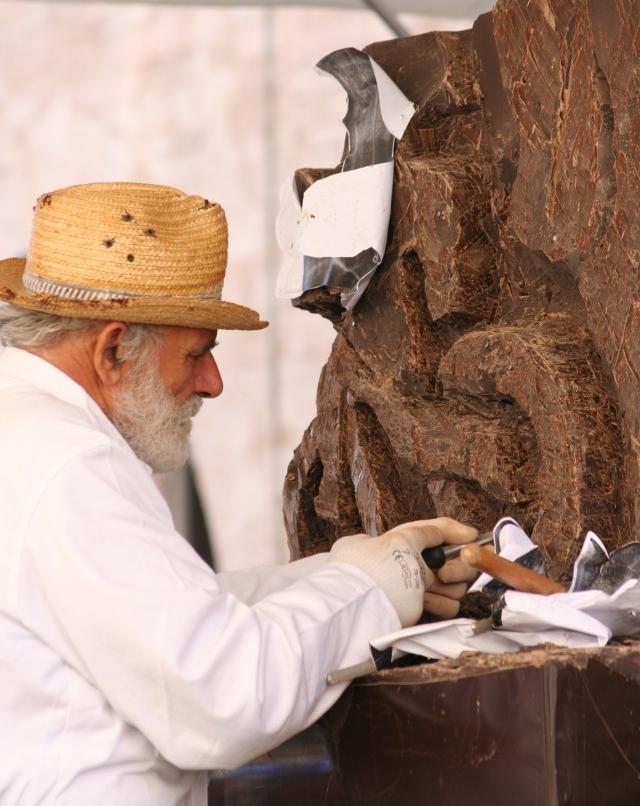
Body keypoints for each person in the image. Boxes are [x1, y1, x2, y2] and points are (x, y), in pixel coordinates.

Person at [0, 182, 477, 805]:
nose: (212, 382)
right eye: (197, 354)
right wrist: (367, 590)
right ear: (113, 348)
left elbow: (168, 613)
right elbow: (221, 695)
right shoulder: (72, 462)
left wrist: (334, 575)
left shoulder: (27, 435)